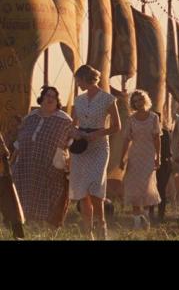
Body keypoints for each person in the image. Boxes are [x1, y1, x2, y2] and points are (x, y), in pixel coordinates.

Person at [11, 86, 74, 228]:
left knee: (49, 195)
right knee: (24, 193)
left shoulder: (64, 120)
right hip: (26, 165)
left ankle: (45, 226)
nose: (50, 98)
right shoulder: (31, 117)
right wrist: (11, 162)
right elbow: (19, 143)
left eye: (53, 96)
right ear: (41, 98)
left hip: (50, 167)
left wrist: (71, 164)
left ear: (57, 100)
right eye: (47, 95)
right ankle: (27, 224)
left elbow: (72, 143)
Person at [70, 65, 121, 240]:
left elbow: (116, 127)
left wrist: (96, 134)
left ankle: (102, 225)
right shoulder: (78, 99)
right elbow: (72, 124)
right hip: (80, 147)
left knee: (95, 188)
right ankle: (88, 233)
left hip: (99, 147)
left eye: (78, 80)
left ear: (86, 78)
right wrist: (75, 132)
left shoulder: (108, 99)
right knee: (82, 192)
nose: (77, 83)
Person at [118, 90, 162, 230]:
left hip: (149, 155)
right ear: (134, 104)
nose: (138, 103)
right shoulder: (131, 119)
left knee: (147, 187)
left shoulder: (154, 117)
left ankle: (146, 216)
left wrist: (158, 156)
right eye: (135, 101)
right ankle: (137, 222)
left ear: (145, 100)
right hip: (135, 156)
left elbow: (157, 138)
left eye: (140, 100)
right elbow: (126, 140)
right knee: (134, 187)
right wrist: (122, 158)